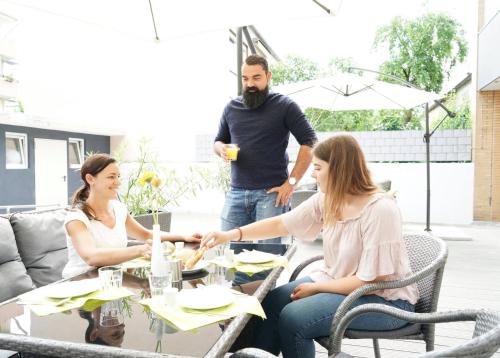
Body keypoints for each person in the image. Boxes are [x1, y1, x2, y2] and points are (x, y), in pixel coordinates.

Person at [202, 134, 419, 358]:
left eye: (317, 168)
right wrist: (230, 234)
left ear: (339, 169)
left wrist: (317, 288)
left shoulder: (380, 209)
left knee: (294, 318)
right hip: (340, 282)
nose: (312, 174)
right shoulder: (328, 199)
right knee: (270, 303)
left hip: (383, 301)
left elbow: (373, 279)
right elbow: (281, 223)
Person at [214, 54, 317, 239]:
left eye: (256, 78)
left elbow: (309, 141)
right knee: (228, 254)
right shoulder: (231, 108)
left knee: (270, 256)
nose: (250, 84)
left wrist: (291, 184)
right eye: (245, 79)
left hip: (271, 195)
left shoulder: (285, 105)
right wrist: (221, 149)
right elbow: (218, 141)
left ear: (268, 76)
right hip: (236, 193)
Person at [62, 153, 201, 279]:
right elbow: (91, 257)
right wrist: (139, 250)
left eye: (118, 176)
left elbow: (145, 234)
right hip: (81, 284)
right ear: (90, 179)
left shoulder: (118, 209)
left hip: (114, 279)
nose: (117, 182)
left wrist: (183, 237)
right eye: (111, 177)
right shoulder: (76, 219)